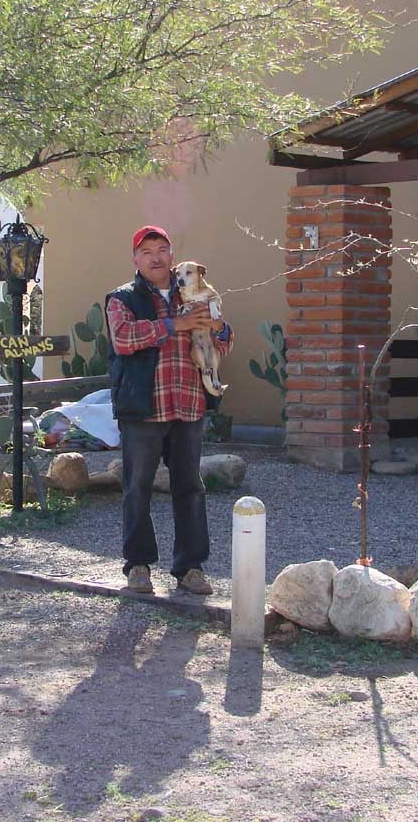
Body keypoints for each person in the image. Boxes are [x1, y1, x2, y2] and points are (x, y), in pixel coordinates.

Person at [104, 225, 233, 595]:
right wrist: (175, 324)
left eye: (162, 249)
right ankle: (139, 566)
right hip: (143, 408)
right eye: (147, 252)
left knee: (190, 486)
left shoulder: (194, 292)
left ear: (172, 256)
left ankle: (190, 568)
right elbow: (124, 340)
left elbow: (223, 343)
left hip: (188, 405)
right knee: (137, 487)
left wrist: (218, 326)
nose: (156, 257)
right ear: (135, 260)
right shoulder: (122, 298)